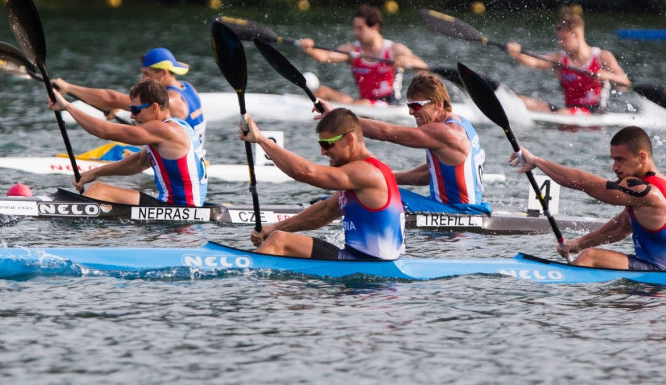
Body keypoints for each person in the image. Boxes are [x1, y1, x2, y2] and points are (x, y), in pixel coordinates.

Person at [511, 126, 666, 270]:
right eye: (613, 160)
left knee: (590, 257)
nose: (614, 167)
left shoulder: (646, 191)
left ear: (642, 157)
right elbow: (621, 227)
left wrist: (537, 161)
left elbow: (587, 184)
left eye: (620, 160)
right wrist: (577, 244)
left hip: (664, 276)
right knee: (588, 253)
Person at [239, 108, 405, 260]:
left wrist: (261, 140)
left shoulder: (366, 172)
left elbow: (304, 173)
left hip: (371, 268)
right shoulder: (359, 176)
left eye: (327, 144)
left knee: (279, 241)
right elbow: (325, 211)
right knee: (278, 237)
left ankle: (243, 273)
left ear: (349, 140)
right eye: (321, 144)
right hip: (356, 259)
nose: (322, 152)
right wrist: (274, 227)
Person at [328, 72, 491, 215]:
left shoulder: (445, 132)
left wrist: (339, 118)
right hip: (464, 208)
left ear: (439, 104)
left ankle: (325, 208)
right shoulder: (461, 123)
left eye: (416, 106)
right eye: (409, 105)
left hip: (458, 212)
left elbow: (385, 133)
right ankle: (328, 205)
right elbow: (428, 174)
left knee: (364, 193)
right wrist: (384, 178)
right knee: (372, 189)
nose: (410, 112)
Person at [48, 79, 207, 206]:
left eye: (136, 110)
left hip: (181, 209)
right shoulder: (178, 126)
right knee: (101, 192)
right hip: (177, 206)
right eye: (130, 109)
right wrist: (95, 172)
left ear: (154, 108)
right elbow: (138, 162)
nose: (132, 116)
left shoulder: (163, 130)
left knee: (100, 191)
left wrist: (67, 106)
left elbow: (105, 131)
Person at [52, 47, 206, 150]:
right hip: (187, 152)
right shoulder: (188, 87)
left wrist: (68, 88)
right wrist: (129, 107)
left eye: (147, 74)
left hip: (177, 158)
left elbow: (112, 99)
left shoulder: (170, 101)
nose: (143, 79)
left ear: (164, 73)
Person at [297, 4, 428, 105]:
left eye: (360, 28)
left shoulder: (395, 49)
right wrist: (309, 48)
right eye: (354, 27)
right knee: (322, 92)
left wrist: (407, 62)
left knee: (360, 104)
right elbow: (325, 56)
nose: (356, 32)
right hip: (362, 103)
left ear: (375, 27)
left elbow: (424, 70)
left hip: (389, 104)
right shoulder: (352, 50)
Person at [505, 12, 631, 114]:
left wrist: (606, 75)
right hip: (567, 111)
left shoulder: (603, 57)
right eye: (559, 39)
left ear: (577, 35)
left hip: (594, 113)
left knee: (562, 113)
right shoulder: (560, 58)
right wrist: (517, 53)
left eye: (564, 39)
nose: (561, 43)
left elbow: (626, 82)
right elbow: (536, 62)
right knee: (520, 101)